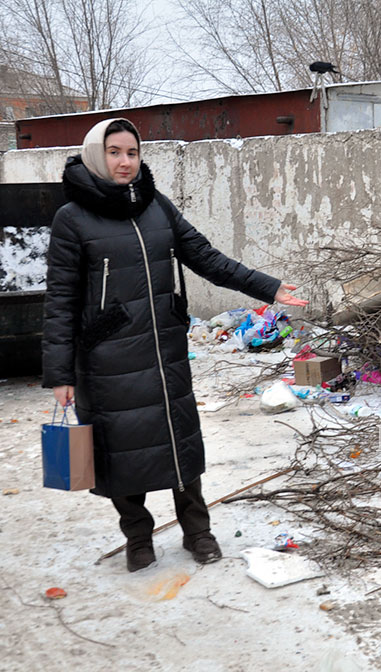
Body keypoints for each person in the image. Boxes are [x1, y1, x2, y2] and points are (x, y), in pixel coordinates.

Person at [42, 117, 308, 572]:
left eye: (132, 152)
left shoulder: (156, 206)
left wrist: (268, 287)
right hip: (107, 361)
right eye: (114, 152)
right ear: (94, 154)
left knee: (179, 442)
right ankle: (138, 537)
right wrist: (60, 374)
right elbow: (60, 301)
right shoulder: (72, 219)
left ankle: (197, 532)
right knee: (119, 451)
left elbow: (205, 258)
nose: (125, 161)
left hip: (163, 350)